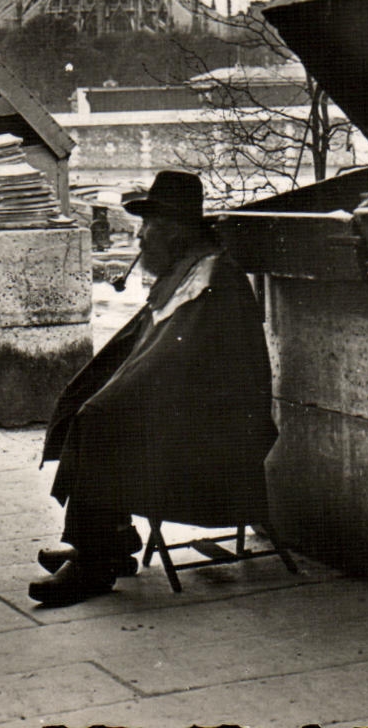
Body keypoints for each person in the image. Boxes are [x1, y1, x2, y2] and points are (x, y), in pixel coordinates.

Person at [29, 169, 277, 607]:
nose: (141, 238)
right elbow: (142, 353)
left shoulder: (210, 278)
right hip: (191, 406)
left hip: (218, 429)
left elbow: (177, 364)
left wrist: (111, 400)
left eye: (150, 226)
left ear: (176, 231)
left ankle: (95, 562)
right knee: (87, 404)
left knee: (103, 420)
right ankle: (111, 538)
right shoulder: (187, 271)